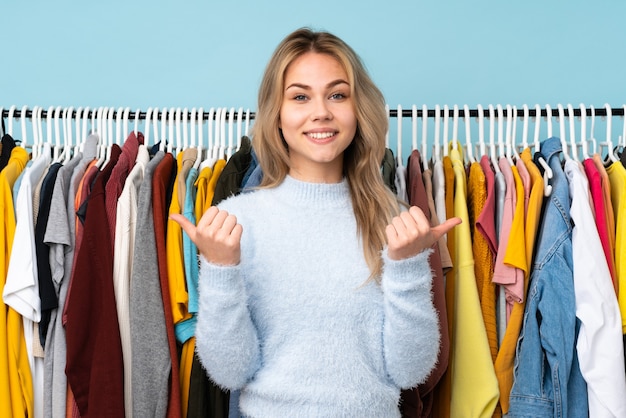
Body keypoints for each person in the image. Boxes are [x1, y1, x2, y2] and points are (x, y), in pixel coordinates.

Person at [172, 27, 461, 418]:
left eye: (338, 95)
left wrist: (408, 267)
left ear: (359, 110)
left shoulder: (394, 221)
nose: (321, 111)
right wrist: (221, 271)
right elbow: (229, 373)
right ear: (276, 113)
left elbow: (410, 372)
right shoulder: (237, 220)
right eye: (300, 96)